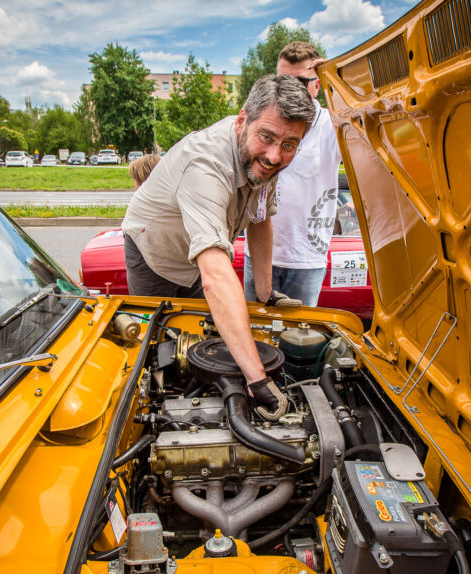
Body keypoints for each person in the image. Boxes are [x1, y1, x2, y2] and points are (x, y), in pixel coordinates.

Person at [121, 74, 314, 418]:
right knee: (160, 351)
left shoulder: (268, 157)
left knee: (205, 339)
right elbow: (215, 276)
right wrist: (257, 379)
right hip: (155, 253)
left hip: (198, 257)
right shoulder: (206, 165)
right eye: (267, 137)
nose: (274, 155)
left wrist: (266, 293)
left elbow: (260, 218)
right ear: (243, 121)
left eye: (289, 144)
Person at [243, 41, 343, 308]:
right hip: (260, 254)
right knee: (256, 331)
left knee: (301, 338)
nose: (290, 90)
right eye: (283, 80)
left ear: (317, 85)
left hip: (306, 259)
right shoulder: (267, 120)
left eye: (300, 82)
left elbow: (367, 113)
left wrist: (334, 77)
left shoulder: (332, 126)